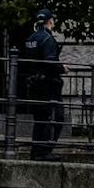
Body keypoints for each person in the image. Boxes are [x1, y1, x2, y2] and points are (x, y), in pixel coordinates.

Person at [22, 8, 66, 161]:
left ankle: (36, 151)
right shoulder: (48, 39)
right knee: (56, 117)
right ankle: (45, 151)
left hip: (34, 83)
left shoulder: (31, 39)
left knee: (40, 119)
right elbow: (50, 61)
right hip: (48, 83)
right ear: (50, 21)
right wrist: (62, 68)